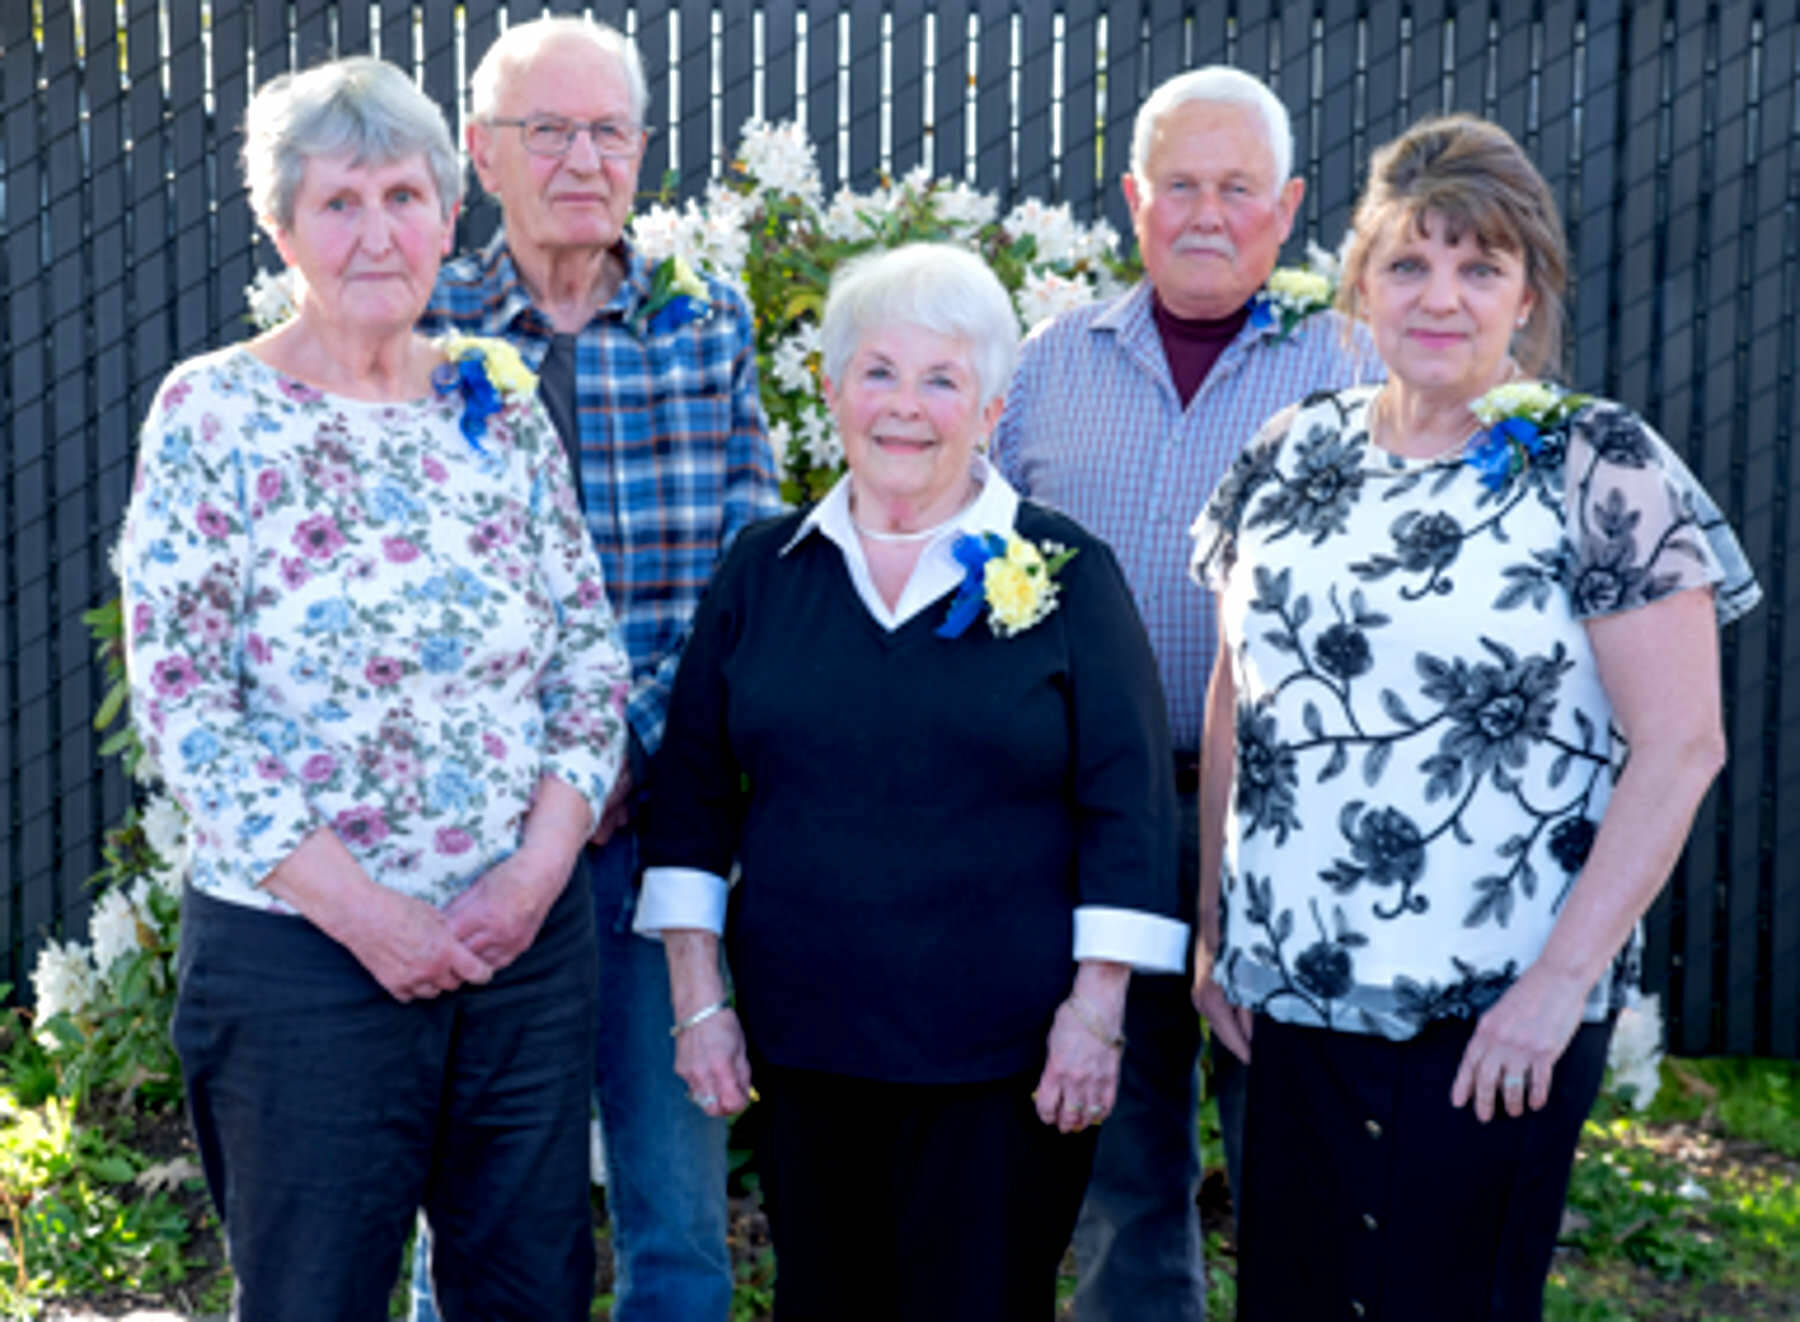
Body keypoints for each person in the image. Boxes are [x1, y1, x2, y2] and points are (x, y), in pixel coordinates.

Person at [1189, 113, 1760, 1321]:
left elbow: (1683, 744)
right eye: (1409, 261)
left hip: (1495, 1015)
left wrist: (1559, 983)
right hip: (1288, 999)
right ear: (1361, 282)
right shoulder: (1290, 449)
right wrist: (1215, 928)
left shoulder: (1597, 463)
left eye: (1479, 266)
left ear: (1528, 291)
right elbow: (1239, 692)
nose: (1439, 296)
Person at [119, 56, 630, 1322]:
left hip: (518, 952)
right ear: (281, 225)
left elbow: (586, 657)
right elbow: (184, 700)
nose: (377, 232)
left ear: (449, 217)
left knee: (530, 1291)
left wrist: (533, 877)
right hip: (304, 958)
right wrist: (369, 916)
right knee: (314, 1296)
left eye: (404, 196)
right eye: (339, 201)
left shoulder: (494, 403)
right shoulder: (214, 412)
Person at [633, 242, 1189, 1321]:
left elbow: (1128, 806)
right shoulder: (762, 572)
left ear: (990, 409)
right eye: (878, 371)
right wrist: (699, 1003)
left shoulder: (1068, 575)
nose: (904, 406)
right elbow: (692, 797)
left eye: (942, 379)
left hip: (1007, 1061)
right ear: (832, 390)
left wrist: (1098, 1011)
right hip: (805, 1049)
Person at [990, 64, 1383, 1320]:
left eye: (1238, 188)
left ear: (1290, 206)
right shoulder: (1048, 364)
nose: (1206, 213)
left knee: (1295, 1142)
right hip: (1090, 816)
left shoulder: (1359, 370)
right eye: (1180, 185)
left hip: (1287, 822)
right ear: (1133, 198)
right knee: (1118, 1149)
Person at [413, 17, 783, 1320]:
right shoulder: (424, 322)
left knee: (675, 1209)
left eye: (608, 130)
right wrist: (545, 776)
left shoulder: (704, 321)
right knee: (473, 1202)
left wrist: (623, 748)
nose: (583, 158)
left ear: (641, 147)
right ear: (482, 153)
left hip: (653, 823)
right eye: (548, 130)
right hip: (475, 833)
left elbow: (746, 566)